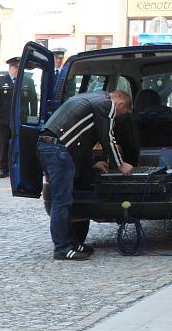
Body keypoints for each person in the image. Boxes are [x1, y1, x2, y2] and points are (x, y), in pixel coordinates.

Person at [37, 90, 134, 261]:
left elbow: (82, 139)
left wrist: (92, 163)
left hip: (52, 146)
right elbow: (107, 137)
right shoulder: (107, 104)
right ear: (120, 104)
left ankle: (72, 243)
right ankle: (62, 248)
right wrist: (120, 164)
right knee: (62, 201)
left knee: (66, 199)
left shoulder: (92, 98)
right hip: (58, 150)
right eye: (121, 114)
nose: (117, 117)